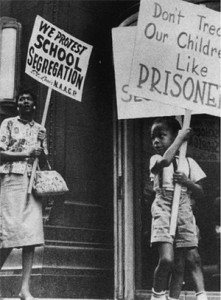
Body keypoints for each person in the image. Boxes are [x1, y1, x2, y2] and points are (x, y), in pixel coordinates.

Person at [149, 116, 207, 300]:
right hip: (163, 207)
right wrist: (180, 139)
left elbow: (201, 192)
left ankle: (175, 297)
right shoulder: (156, 159)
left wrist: (187, 182)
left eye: (161, 136)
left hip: (183, 207)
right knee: (167, 259)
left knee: (181, 263)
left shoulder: (188, 162)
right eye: (153, 137)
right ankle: (157, 295)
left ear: (173, 136)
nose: (156, 140)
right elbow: (165, 163)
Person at [0, 89, 48, 300]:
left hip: (33, 182)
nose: (25, 102)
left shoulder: (40, 129)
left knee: (30, 236)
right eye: (22, 99)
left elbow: (44, 161)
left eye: (29, 99)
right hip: (12, 181)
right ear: (18, 104)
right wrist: (25, 153)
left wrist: (41, 146)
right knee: (9, 234)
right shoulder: (8, 124)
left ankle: (24, 289)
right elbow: (0, 154)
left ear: (35, 105)